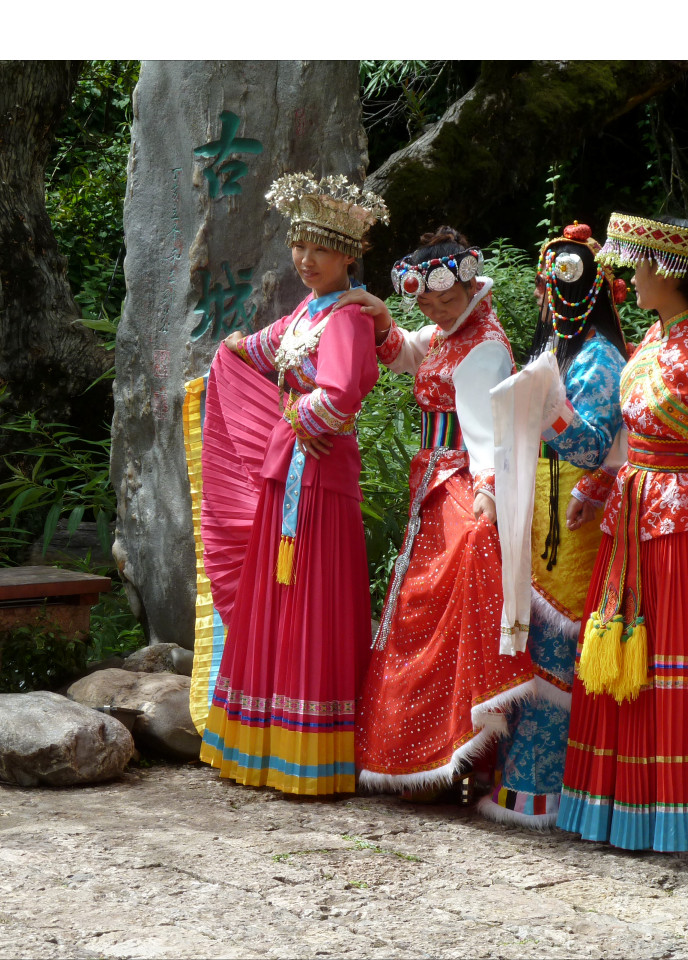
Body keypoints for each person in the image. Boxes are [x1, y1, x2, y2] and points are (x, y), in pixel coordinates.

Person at [556, 212, 688, 851]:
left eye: (641, 264)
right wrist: (592, 489)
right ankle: (615, 808)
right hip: (631, 521)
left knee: (665, 668)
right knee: (620, 664)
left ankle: (675, 814)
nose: (631, 274)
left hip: (679, 534)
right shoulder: (648, 344)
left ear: (671, 272)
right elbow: (627, 441)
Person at [195, 172, 389, 797]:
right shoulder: (310, 310)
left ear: (348, 256)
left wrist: (292, 416)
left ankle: (312, 751)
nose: (305, 259)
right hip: (292, 470)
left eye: (320, 249)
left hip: (321, 470)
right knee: (283, 593)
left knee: (312, 595)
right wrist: (227, 357)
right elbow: (257, 348)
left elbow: (340, 395)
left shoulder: (350, 319)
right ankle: (269, 738)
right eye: (299, 245)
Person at [341, 227, 536, 797]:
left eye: (446, 300)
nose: (437, 310)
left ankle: (444, 751)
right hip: (435, 478)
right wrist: (381, 318)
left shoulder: (485, 346)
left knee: (438, 598)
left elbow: (489, 432)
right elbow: (408, 352)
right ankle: (424, 754)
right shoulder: (452, 332)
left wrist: (489, 494)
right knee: (417, 602)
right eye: (427, 303)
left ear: (473, 288)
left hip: (460, 480)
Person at [480, 222, 629, 827]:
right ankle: (520, 784)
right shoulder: (557, 354)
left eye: (563, 289)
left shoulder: (601, 357)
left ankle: (549, 793)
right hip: (538, 516)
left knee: (558, 656)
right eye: (549, 288)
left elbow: (596, 448)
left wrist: (548, 412)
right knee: (529, 651)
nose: (552, 301)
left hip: (577, 521)